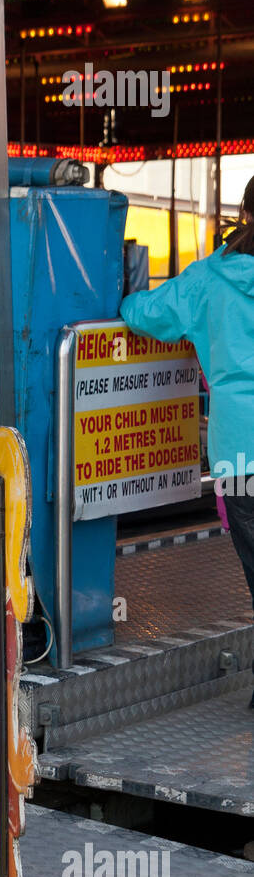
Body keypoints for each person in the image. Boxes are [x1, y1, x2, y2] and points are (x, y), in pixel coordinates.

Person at [120, 176, 254, 699]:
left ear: (243, 210)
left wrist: (124, 293)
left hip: (240, 456)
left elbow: (143, 313)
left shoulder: (208, 281)